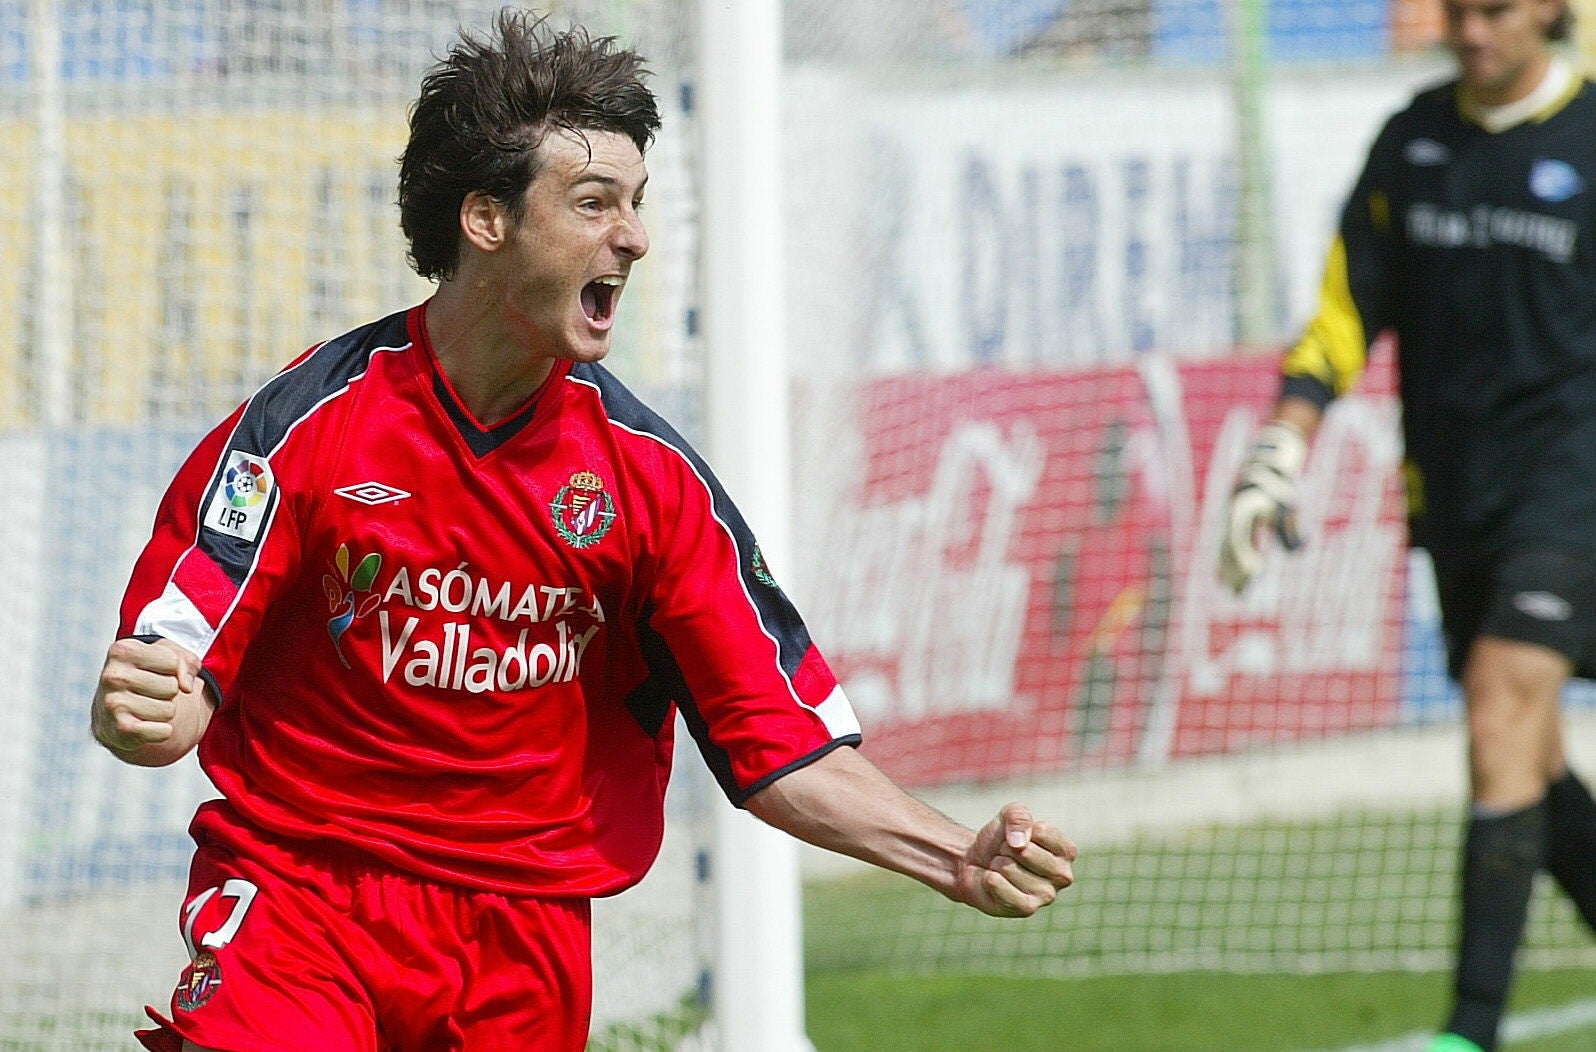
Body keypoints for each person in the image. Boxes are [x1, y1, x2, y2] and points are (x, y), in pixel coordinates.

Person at [90, 11, 1078, 1052]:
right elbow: (174, 660)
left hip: (523, 936)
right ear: (485, 219)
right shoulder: (307, 426)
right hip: (300, 894)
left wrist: (952, 853)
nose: (637, 236)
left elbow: (778, 744)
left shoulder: (655, 484)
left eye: (639, 204)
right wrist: (147, 713)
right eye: (596, 201)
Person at [1218, 0, 1596, 1048]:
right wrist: (1281, 446)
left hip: (1574, 488)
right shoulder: (1412, 142)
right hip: (1456, 495)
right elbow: (1346, 310)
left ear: (1551, 13)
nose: (1473, 31)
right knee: (1527, 747)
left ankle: (1468, 1030)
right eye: (1459, 10)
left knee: (1494, 710)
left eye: (1498, 12)